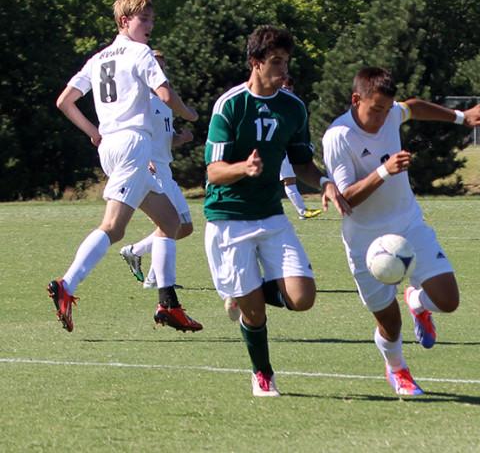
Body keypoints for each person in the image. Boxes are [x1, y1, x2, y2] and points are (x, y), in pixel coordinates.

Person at [322, 67, 480, 396]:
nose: (382, 117)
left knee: (448, 300)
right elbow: (345, 199)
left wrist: (462, 117)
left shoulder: (391, 113)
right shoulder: (338, 136)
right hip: (365, 241)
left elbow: (413, 106)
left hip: (407, 224)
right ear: (355, 99)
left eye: (386, 110)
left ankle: (417, 301)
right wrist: (383, 171)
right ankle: (398, 369)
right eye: (375, 109)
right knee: (390, 325)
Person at [203, 24, 350, 397]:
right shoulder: (230, 105)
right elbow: (213, 172)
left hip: (270, 216)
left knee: (303, 298)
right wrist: (243, 169)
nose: (284, 70)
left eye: (287, 62)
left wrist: (326, 183)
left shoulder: (293, 108)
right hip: (228, 219)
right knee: (255, 314)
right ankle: (262, 373)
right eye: (276, 62)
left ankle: (243, 293)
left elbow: (302, 164)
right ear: (255, 62)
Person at [49, 0, 202, 333]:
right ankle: (66, 285)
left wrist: (94, 132)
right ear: (124, 21)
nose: (150, 24)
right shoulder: (139, 52)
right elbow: (164, 93)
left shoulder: (99, 58)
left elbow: (65, 101)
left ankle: (168, 305)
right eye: (143, 18)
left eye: (151, 18)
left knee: (170, 221)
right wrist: (188, 113)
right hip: (133, 144)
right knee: (113, 228)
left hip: (116, 146)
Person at [119, 50, 194, 289]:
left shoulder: (165, 100)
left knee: (185, 227)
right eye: (155, 65)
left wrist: (180, 139)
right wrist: (146, 159)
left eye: (162, 66)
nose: (159, 70)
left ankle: (135, 251)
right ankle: (155, 280)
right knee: (171, 224)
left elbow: (164, 137)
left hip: (165, 168)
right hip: (152, 168)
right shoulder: (140, 100)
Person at [278, 76, 322, 220]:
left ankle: (302, 211)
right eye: (284, 87)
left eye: (290, 87)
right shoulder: (276, 105)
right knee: (288, 180)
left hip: (288, 149)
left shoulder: (296, 105)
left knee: (289, 179)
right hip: (279, 149)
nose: (287, 89)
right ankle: (302, 211)